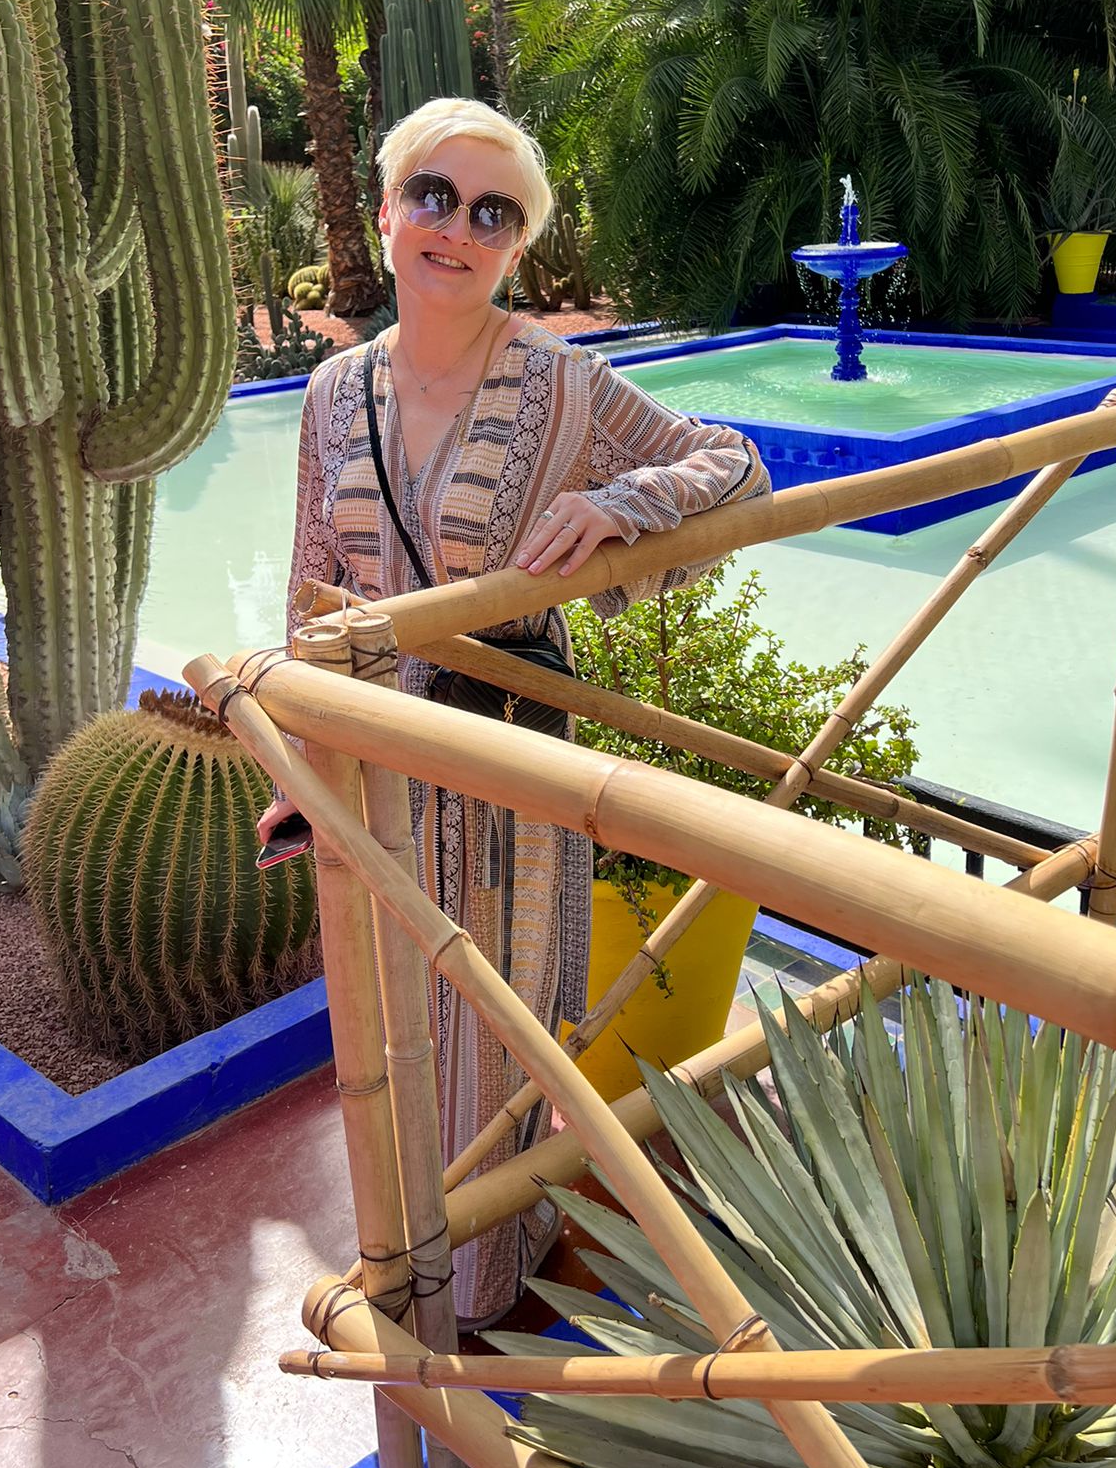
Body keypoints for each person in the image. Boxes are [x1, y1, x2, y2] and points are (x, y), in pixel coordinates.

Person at [258, 98, 768, 1325]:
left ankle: (483, 1279)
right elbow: (309, 585)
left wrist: (627, 501)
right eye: (434, 195)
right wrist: (299, 760)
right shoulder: (333, 395)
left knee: (502, 1018)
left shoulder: (566, 382)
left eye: (495, 213)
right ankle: (415, 1247)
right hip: (382, 767)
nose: (458, 228)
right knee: (392, 1028)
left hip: (508, 757)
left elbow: (736, 463)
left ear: (515, 247)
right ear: (385, 212)